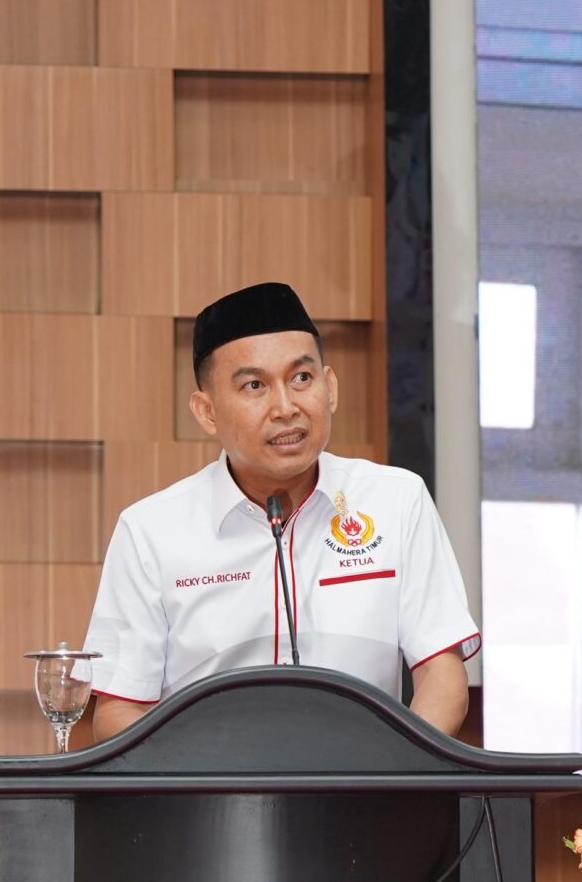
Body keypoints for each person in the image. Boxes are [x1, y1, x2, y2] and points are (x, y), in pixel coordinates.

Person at [81, 280, 479, 742]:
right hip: (206, 783)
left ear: (330, 387)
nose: (286, 408)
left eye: (301, 379)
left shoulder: (397, 500)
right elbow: (118, 710)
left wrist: (395, 770)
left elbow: (442, 676)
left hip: (368, 779)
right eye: (255, 385)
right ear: (207, 412)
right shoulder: (150, 531)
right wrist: (198, 776)